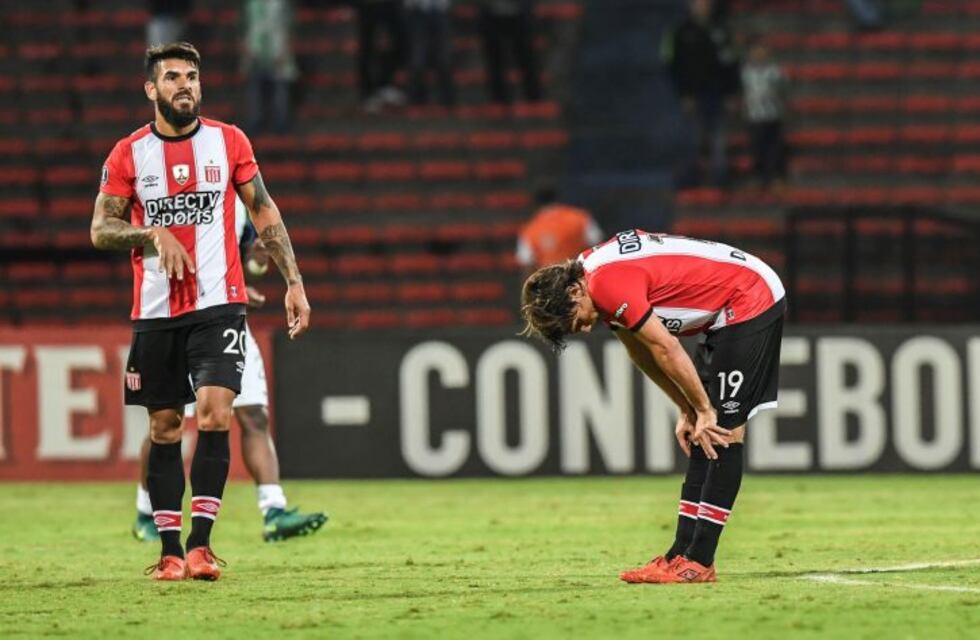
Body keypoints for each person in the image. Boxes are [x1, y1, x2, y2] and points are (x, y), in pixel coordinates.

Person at [91, 42, 311, 582]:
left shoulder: (229, 140)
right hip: (157, 310)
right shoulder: (128, 154)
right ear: (152, 89)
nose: (184, 84)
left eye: (191, 75)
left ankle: (200, 546)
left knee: (216, 415)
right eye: (171, 77)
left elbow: (264, 211)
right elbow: (101, 229)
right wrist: (152, 231)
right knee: (166, 426)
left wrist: (294, 282)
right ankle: (168, 551)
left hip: (220, 304)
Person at [519, 229, 785, 583]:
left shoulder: (606, 284)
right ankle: (680, 554)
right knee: (702, 432)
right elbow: (641, 352)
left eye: (574, 319)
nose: (582, 330)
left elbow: (667, 348)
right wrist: (686, 408)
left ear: (573, 291)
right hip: (724, 308)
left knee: (723, 431)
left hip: (750, 295)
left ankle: (700, 561)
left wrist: (704, 410)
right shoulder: (592, 283)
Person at [132, 199, 326, 545]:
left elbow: (248, 256)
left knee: (254, 415)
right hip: (178, 319)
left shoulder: (239, 200)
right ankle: (146, 511)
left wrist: (255, 264)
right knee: (167, 422)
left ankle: (274, 510)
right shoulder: (178, 192)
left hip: (227, 319)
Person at [664, 0, 740, 187]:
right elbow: (672, 65)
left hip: (717, 93)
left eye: (706, 2)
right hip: (692, 95)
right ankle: (691, 176)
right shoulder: (680, 32)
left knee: (719, 136)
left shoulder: (721, 31)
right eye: (698, 2)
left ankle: (719, 176)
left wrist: (732, 92)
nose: (702, 6)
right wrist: (683, 93)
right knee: (692, 136)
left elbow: (731, 62)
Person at [242, 0, 297, 133]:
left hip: (278, 51)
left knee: (280, 92)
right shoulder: (252, 5)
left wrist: (284, 50)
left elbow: (289, 27)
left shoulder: (282, 5)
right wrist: (247, 49)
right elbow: (245, 27)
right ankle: (255, 123)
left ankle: (281, 124)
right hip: (255, 51)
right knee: (255, 91)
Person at [515, 188, 602, 271]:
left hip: (551, 282)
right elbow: (598, 244)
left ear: (535, 204)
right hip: (582, 275)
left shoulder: (530, 230)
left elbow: (527, 264)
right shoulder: (580, 217)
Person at [741, 36, 787, 188]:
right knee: (757, 148)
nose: (759, 53)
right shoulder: (745, 73)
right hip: (755, 116)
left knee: (775, 148)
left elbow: (783, 91)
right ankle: (758, 177)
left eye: (762, 50)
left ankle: (776, 177)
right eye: (755, 50)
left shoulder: (775, 71)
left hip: (773, 115)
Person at [477, 0, 541, 104]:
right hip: (491, 15)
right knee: (495, 62)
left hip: (519, 15)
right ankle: (499, 100)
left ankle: (534, 98)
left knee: (526, 60)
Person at [356, 0, 409, 114]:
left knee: (398, 42)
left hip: (389, 4)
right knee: (368, 48)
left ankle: (385, 86)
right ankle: (368, 95)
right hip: (369, 5)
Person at [405, 0, 456, 108]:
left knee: (444, 59)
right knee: (418, 59)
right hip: (418, 12)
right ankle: (417, 99)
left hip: (440, 11)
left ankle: (447, 99)